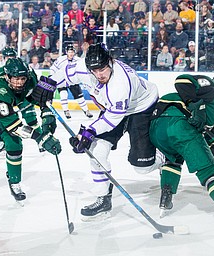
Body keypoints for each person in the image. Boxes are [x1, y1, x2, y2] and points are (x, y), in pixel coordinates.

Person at [69, 43, 164, 220]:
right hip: (114, 108)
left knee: (142, 167)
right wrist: (48, 85)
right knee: (96, 151)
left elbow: (112, 118)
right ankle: (103, 198)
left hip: (141, 107)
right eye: (94, 71)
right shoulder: (85, 67)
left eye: (102, 69)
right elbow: (64, 75)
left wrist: (89, 131)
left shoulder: (120, 84)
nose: (99, 75)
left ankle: (164, 157)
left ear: (110, 62)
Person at [149, 74, 214, 233]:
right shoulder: (211, 90)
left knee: (174, 159)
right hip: (178, 126)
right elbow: (182, 80)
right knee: (209, 172)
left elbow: (209, 141)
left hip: (157, 130)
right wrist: (196, 105)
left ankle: (165, 200)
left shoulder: (213, 115)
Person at [0, 57, 61, 204]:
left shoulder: (31, 77)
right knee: (15, 133)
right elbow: (15, 126)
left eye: (22, 78)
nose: (19, 82)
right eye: (15, 78)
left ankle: (14, 182)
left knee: (14, 144)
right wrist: (40, 137)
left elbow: (39, 98)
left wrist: (47, 114)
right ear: (7, 76)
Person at [49, 44, 93, 119]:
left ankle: (86, 111)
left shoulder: (78, 60)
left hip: (73, 81)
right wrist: (52, 76)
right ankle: (66, 111)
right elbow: (53, 68)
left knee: (80, 97)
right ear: (66, 52)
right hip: (62, 81)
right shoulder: (61, 59)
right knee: (63, 95)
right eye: (69, 52)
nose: (71, 54)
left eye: (72, 52)